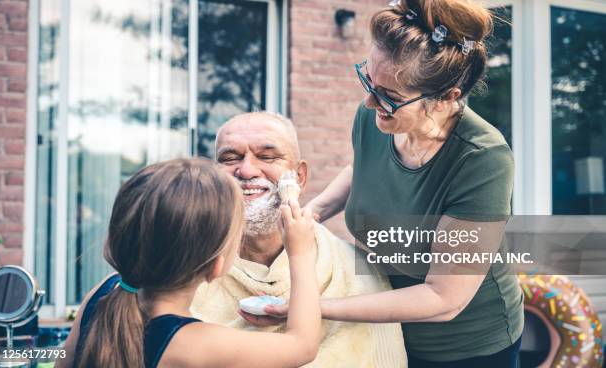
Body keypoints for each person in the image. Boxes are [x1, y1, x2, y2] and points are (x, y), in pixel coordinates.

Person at [259, 1, 524, 367]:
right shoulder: (378, 116)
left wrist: (311, 309)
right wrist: (312, 213)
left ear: (448, 98)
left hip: (467, 346)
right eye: (368, 79)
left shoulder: (483, 159)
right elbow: (364, 165)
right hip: (390, 326)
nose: (369, 102)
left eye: (390, 96)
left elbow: (443, 299)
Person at [191, 111, 407, 368]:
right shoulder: (188, 268)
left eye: (267, 156)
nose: (246, 170)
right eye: (230, 158)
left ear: (300, 177)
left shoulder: (357, 273)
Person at [58, 158, 321, 368]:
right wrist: (300, 253)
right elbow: (302, 345)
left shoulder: (103, 294)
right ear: (216, 266)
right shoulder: (193, 343)